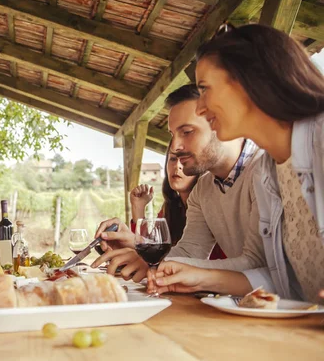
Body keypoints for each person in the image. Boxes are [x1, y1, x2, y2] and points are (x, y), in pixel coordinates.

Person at [152, 24, 324, 303]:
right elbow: (281, 278)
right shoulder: (269, 172)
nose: (200, 108)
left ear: (249, 81)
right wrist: (192, 275)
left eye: (205, 89)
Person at [92, 84, 266, 280]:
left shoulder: (267, 171)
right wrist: (144, 256)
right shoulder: (203, 189)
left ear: (222, 122)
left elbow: (258, 264)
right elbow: (190, 253)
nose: (175, 147)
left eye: (187, 132)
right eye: (173, 135)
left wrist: (158, 265)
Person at [129, 147, 226, 258]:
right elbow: (153, 250)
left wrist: (131, 241)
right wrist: (138, 207)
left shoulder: (214, 208)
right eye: (173, 159)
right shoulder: (171, 208)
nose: (177, 166)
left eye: (184, 159)